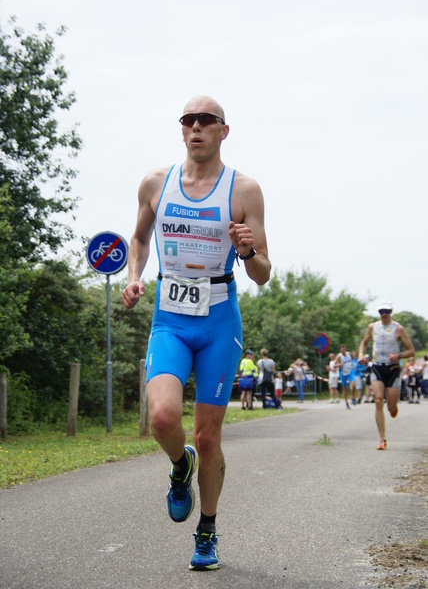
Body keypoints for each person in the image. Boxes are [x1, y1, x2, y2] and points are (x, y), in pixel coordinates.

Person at [121, 95, 271, 571]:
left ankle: (207, 530)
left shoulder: (243, 189)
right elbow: (140, 238)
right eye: (189, 120)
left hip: (219, 319)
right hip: (170, 315)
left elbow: (264, 273)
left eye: (207, 121)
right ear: (181, 129)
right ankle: (179, 465)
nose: (196, 127)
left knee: (209, 437)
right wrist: (133, 276)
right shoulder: (155, 183)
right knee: (163, 417)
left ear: (224, 131)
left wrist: (247, 252)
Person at [358, 300, 415, 450]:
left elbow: (411, 351)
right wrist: (361, 355)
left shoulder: (399, 329)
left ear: (391, 312)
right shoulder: (373, 327)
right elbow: (364, 343)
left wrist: (398, 355)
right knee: (377, 401)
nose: (384, 314)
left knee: (390, 407)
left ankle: (393, 408)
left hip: (393, 369)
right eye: (381, 312)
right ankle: (382, 439)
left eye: (386, 311)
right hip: (377, 367)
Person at [334, 344, 353, 410]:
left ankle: (353, 398)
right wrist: (340, 364)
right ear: (340, 349)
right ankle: (346, 402)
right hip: (343, 373)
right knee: (345, 388)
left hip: (350, 372)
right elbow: (334, 365)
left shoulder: (349, 354)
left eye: (345, 349)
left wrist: (352, 366)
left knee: (353, 384)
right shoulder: (339, 356)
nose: (344, 351)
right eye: (342, 349)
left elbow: (351, 361)